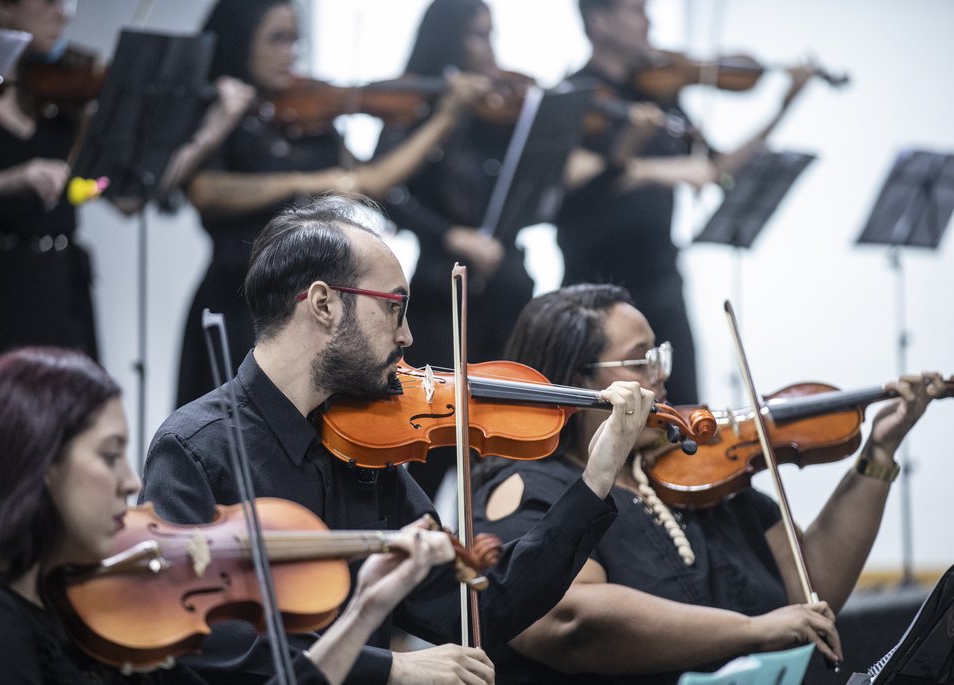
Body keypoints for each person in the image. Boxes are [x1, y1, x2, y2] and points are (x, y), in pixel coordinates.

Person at [140, 194, 656, 685]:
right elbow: (207, 640)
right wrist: (390, 670)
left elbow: (478, 608)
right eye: (393, 307)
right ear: (323, 304)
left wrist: (597, 475)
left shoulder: (367, 450)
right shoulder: (194, 449)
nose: (408, 336)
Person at [472, 283, 943, 684]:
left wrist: (878, 451)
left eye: (660, 356)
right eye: (640, 362)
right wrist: (752, 630)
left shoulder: (701, 470)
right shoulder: (527, 487)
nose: (660, 376)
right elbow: (569, 618)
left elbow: (811, 589)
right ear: (574, 380)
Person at [0, 346, 463, 685]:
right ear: (38, 465)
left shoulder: (107, 613)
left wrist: (366, 611)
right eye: (109, 455)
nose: (132, 482)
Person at [0, 0, 253, 430]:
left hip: (58, 285)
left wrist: (212, 131)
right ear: (2, 9)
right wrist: (2, 182)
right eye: (47, 2)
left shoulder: (70, 102)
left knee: (65, 431)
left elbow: (128, 197)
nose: (63, 13)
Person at [174, 0, 488, 408]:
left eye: (295, 41)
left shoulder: (310, 115)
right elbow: (205, 191)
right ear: (241, 40)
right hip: (236, 297)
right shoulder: (217, 111)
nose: (290, 54)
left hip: (307, 305)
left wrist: (443, 119)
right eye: (277, 39)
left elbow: (372, 181)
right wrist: (304, 181)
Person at [556, 0, 818, 405]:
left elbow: (713, 168)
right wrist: (652, 160)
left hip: (659, 275)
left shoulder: (659, 91)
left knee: (684, 410)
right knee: (604, 413)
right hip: (593, 290)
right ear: (601, 21)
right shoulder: (577, 96)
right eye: (636, 10)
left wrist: (782, 109)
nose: (649, 21)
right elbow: (575, 178)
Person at [372, 0, 539, 501]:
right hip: (441, 292)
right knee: (438, 436)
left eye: (490, 35)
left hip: (507, 290)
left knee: (508, 441)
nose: (488, 50)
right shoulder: (417, 106)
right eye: (476, 36)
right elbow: (383, 187)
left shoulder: (499, 109)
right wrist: (447, 234)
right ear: (448, 40)